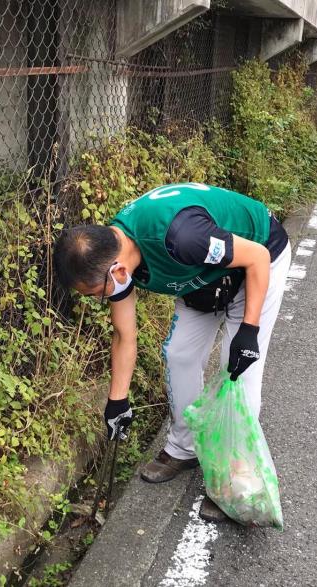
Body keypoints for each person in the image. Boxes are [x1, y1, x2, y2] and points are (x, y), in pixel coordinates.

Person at [53, 183, 291, 523]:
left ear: (116, 272)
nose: (98, 300)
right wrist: (117, 401)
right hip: (202, 277)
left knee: (237, 368)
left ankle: (235, 480)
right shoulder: (112, 255)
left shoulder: (182, 237)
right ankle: (184, 448)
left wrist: (249, 332)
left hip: (258, 258)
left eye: (95, 294)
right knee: (179, 354)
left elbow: (256, 258)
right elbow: (124, 335)